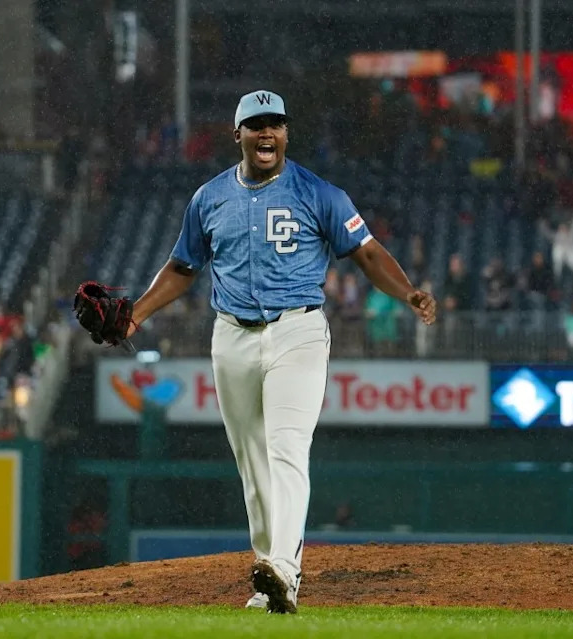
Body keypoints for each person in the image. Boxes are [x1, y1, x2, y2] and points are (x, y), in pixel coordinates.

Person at [123, 90, 436, 614]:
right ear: (238, 134)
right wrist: (136, 314)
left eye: (276, 124)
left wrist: (407, 292)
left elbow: (367, 251)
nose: (267, 133)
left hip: (299, 331)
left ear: (287, 133)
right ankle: (269, 577)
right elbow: (182, 268)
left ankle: (283, 572)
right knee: (252, 462)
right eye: (256, 125)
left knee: (287, 447)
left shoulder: (319, 193)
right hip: (231, 335)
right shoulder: (209, 198)